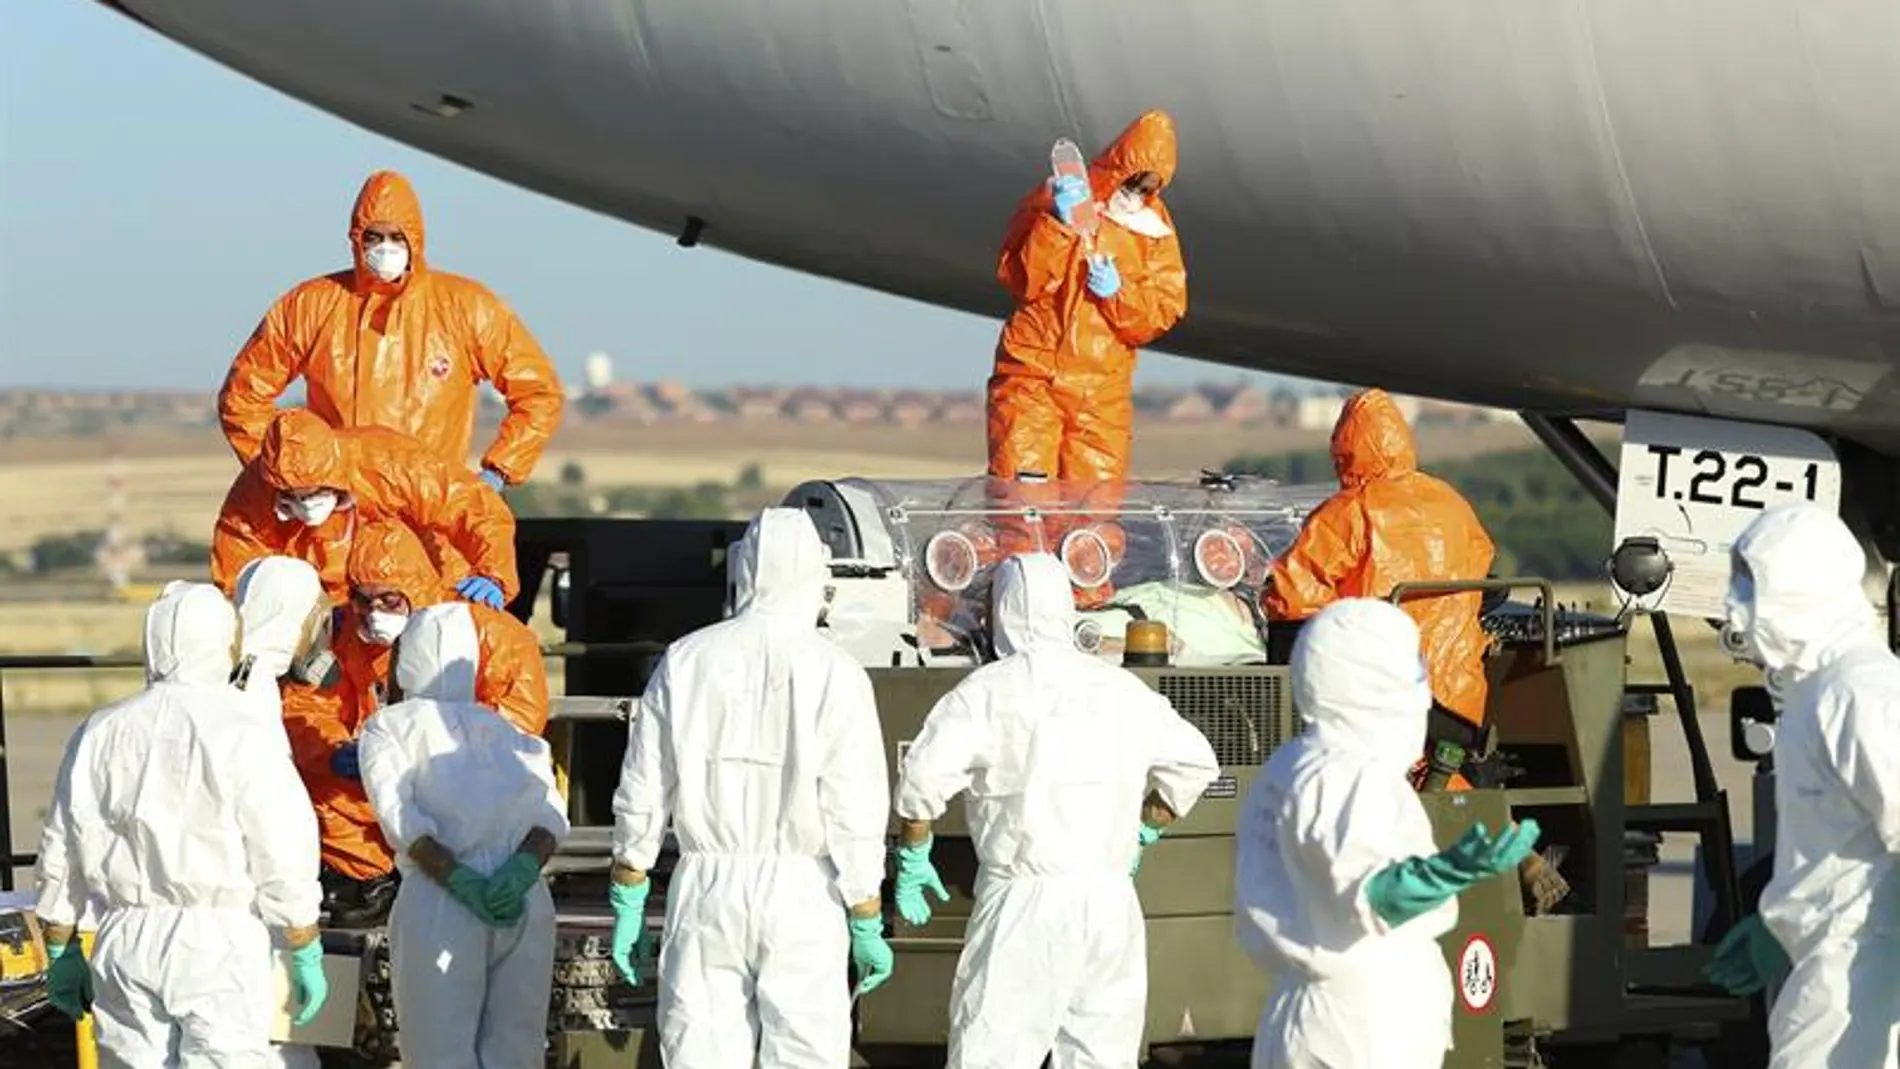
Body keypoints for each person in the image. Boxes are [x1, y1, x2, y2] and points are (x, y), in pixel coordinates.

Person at [890, 551, 1222, 1069]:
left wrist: (914, 856)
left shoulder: (987, 690)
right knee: (1101, 1053)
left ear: (1003, 612)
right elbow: (1197, 764)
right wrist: (1142, 832)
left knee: (992, 1050)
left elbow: (922, 780)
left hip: (1022, 904)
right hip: (1109, 903)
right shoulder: (1119, 688)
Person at [608, 507, 895, 1069]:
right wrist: (865, 910)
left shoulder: (688, 658)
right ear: (818, 575)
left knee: (700, 1049)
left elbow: (644, 783)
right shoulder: (836, 670)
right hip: (804, 893)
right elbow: (855, 804)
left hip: (707, 887)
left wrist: (630, 886)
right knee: (805, 1053)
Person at [1235, 598, 1540, 1068]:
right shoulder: (1352, 775)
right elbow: (1371, 897)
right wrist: (1447, 873)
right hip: (1361, 1024)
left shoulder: (1294, 763)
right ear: (1376, 683)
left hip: (1318, 1012)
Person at [34, 583, 330, 1064]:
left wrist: (60, 945)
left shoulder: (100, 731)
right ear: (222, 642)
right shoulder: (243, 727)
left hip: (124, 939)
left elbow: (61, 846)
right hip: (221, 944)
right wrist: (302, 938)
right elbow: (282, 844)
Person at [1700, 504, 1900, 1067]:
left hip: (1861, 980)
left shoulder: (1859, 694)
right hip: (1830, 968)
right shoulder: (1815, 696)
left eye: (1751, 583)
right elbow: (1841, 845)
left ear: (1800, 591)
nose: (1734, 602)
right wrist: (1777, 920)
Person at [218, 168, 565, 492]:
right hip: (340, 515)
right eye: (374, 236)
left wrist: (497, 473)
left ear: (415, 239)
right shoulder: (311, 306)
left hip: (433, 513)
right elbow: (243, 397)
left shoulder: (464, 306)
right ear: (356, 239)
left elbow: (539, 392)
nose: (385, 248)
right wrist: (291, 476)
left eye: (396, 237)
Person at [284, 519, 550, 927]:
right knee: (324, 789)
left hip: (467, 775)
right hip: (375, 777)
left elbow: (522, 718)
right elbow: (306, 708)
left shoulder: (492, 634)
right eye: (363, 600)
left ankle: (463, 872)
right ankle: (367, 879)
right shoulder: (342, 634)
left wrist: (440, 746)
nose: (373, 614)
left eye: (390, 600)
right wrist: (333, 750)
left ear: (417, 588)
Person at [358, 602, 569, 1069]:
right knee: (518, 1051)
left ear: (409, 658)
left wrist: (461, 882)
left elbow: (401, 821)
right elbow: (552, 813)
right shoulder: (509, 730)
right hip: (524, 901)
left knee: (439, 1052)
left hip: (443, 899)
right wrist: (520, 869)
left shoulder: (387, 728)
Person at [1265, 389, 1495, 790]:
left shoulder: (1350, 510)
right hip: (1460, 695)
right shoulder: (1450, 501)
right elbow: (1482, 558)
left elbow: (1291, 596)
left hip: (1381, 694)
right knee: (1449, 796)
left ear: (1346, 449)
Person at [987, 109, 1188, 487]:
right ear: (1117, 170)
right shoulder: (1056, 199)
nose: (1136, 196)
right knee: (1021, 498)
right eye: (1133, 184)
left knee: (1093, 508)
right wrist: (1057, 226)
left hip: (1100, 391)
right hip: (1034, 375)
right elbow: (1022, 280)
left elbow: (1160, 313)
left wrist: (1119, 294)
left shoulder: (1153, 231)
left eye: (1148, 188)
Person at [211, 407, 519, 609]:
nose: (306, 505)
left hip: (411, 599)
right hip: (317, 617)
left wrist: (494, 574)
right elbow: (237, 560)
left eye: (315, 491)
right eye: (292, 496)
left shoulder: (389, 463)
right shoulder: (255, 490)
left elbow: (472, 507)